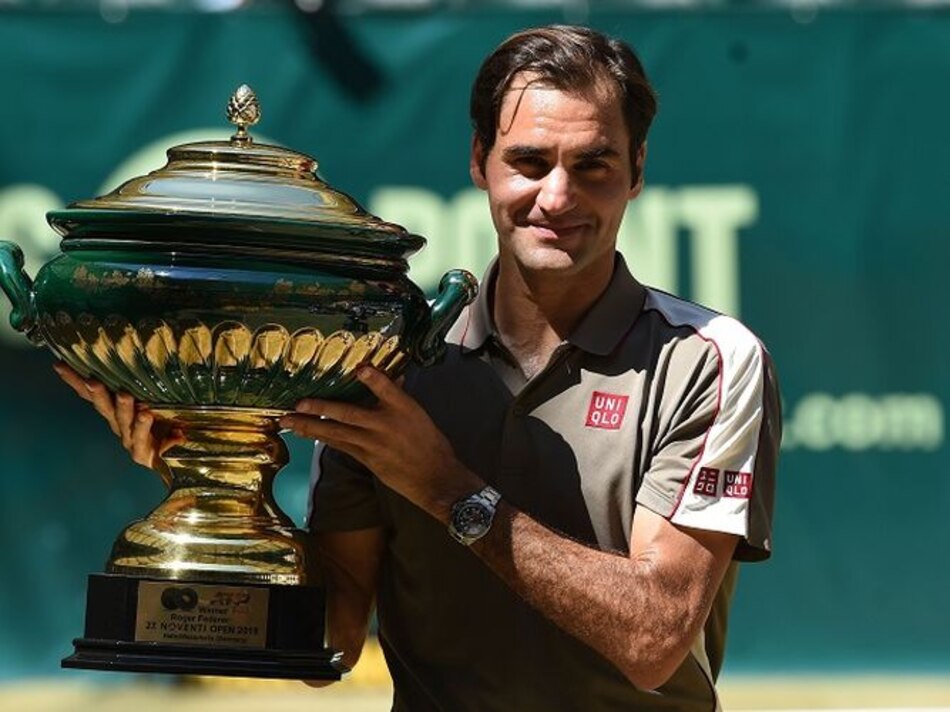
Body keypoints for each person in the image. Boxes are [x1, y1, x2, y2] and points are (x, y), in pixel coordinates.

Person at [57, 24, 780, 711]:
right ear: (478, 161)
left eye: (592, 165)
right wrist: (215, 476)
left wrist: (447, 490)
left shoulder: (710, 360)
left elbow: (654, 639)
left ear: (638, 171)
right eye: (528, 162)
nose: (557, 197)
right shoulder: (387, 359)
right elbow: (334, 637)